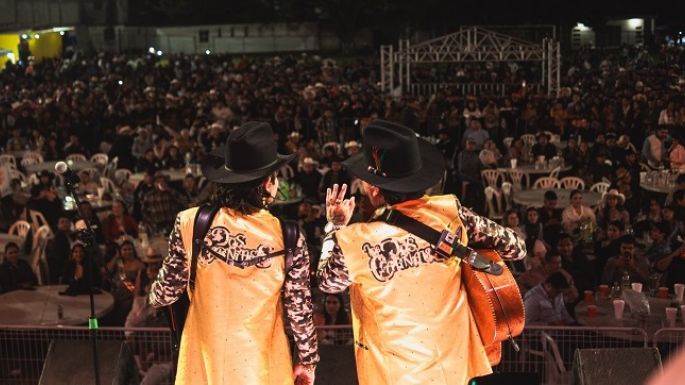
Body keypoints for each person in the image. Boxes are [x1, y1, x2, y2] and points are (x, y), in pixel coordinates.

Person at [317, 120, 526, 385]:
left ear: (374, 190)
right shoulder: (452, 212)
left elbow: (326, 280)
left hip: (393, 373)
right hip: (454, 367)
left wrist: (333, 226)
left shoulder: (358, 240)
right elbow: (516, 247)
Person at [149, 122, 318, 385]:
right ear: (267, 183)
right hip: (263, 367)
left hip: (204, 364)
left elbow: (163, 294)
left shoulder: (191, 222)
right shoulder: (289, 236)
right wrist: (307, 360)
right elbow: (299, 309)